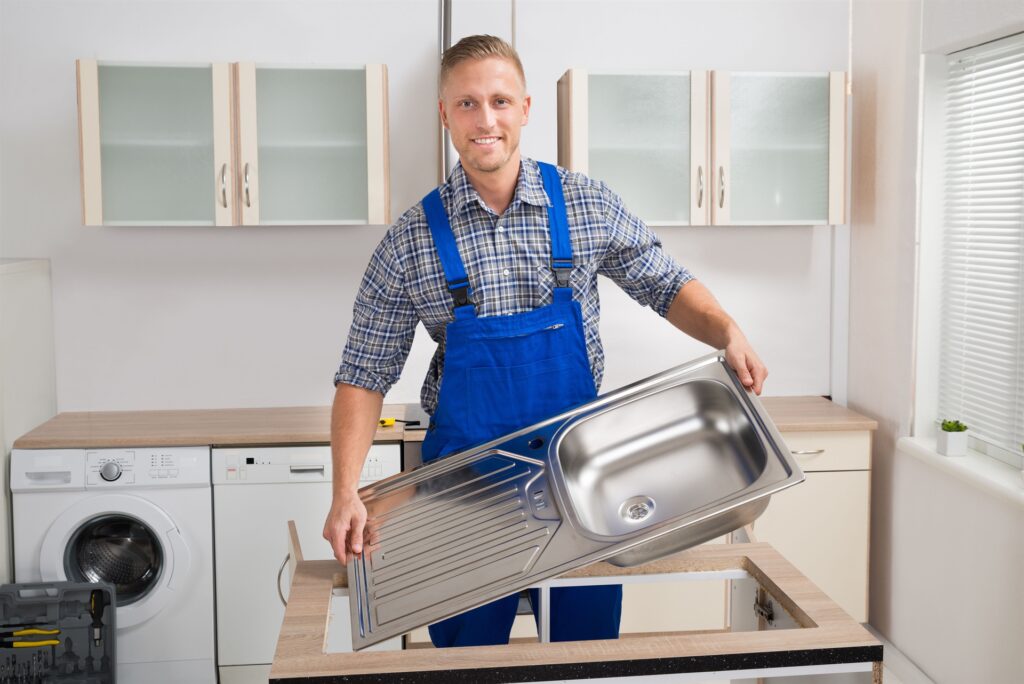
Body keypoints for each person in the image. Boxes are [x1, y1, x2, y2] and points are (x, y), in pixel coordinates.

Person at [323, 34, 767, 648]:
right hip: (464, 504)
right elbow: (363, 375)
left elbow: (663, 283)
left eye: (500, 101)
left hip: (583, 492)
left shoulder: (585, 205)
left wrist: (727, 330)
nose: (487, 120)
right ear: (444, 113)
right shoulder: (409, 242)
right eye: (468, 104)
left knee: (581, 661)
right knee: (468, 667)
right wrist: (346, 490)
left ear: (525, 109)